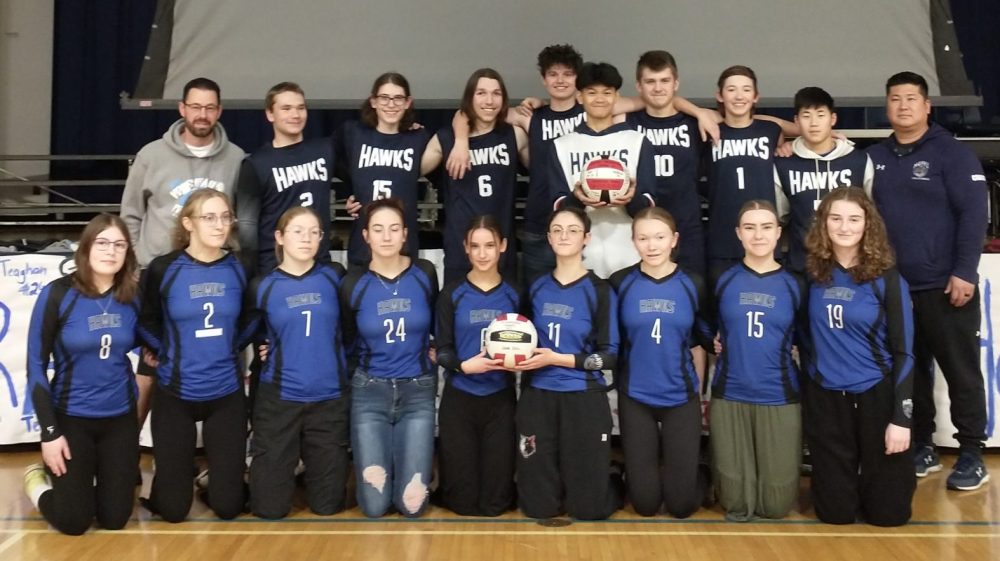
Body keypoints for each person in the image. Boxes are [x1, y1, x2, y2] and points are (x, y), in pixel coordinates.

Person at [868, 71, 990, 490]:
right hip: (896, 289)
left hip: (944, 285)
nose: (903, 106)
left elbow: (974, 214)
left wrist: (964, 271)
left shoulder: (951, 153)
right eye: (895, 99)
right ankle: (923, 445)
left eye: (911, 99)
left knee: (961, 371)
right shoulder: (876, 157)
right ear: (887, 106)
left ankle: (971, 450)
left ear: (926, 107)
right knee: (910, 372)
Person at [120, 77, 244, 438]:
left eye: (209, 108)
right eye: (195, 107)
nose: (202, 115)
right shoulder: (151, 155)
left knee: (216, 370)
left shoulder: (236, 159)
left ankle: (211, 460)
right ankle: (126, 461)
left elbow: (242, 218)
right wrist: (138, 265)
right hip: (161, 282)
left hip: (214, 281)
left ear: (218, 111)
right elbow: (130, 214)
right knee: (150, 370)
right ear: (182, 109)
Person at [137, 189, 253, 522]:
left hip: (226, 394)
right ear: (188, 223)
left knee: (229, 508)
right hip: (176, 393)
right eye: (209, 217)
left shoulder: (239, 267)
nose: (220, 226)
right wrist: (165, 349)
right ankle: (175, 483)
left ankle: (209, 481)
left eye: (225, 217)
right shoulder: (163, 268)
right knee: (173, 512)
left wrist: (232, 346)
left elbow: (252, 317)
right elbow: (145, 319)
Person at [803, 186, 916, 526]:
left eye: (854, 219)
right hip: (827, 395)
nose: (844, 227)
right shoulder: (811, 273)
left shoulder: (887, 278)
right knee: (834, 514)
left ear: (868, 224)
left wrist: (902, 418)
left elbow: (905, 351)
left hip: (876, 394)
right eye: (835, 218)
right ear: (823, 223)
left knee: (889, 515)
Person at [22, 214, 140, 535]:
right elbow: (35, 366)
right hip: (71, 419)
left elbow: (151, 342)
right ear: (86, 248)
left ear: (127, 252)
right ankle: (36, 481)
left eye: (119, 244)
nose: (110, 251)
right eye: (102, 243)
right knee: (74, 522)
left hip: (120, 419)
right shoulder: (58, 294)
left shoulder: (132, 295)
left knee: (114, 520)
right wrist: (49, 433)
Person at [515, 206, 622, 520]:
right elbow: (520, 339)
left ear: (586, 238)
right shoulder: (535, 287)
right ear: (548, 238)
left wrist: (557, 358)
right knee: (537, 509)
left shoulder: (600, 290)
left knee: (589, 510)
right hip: (539, 396)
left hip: (583, 397)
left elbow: (609, 356)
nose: (564, 236)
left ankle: (612, 477)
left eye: (573, 230)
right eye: (558, 230)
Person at [244, 207, 350, 519]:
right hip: (280, 400)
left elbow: (351, 330)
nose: (306, 238)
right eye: (297, 231)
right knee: (269, 509)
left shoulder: (335, 277)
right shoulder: (262, 286)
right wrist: (263, 346)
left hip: (329, 398)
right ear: (279, 237)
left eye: (314, 232)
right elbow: (249, 331)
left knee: (327, 507)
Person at [609, 207, 711, 518]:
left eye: (659, 237)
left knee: (681, 507)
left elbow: (700, 342)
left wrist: (696, 392)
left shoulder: (693, 283)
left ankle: (702, 473)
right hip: (636, 396)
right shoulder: (619, 282)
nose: (652, 245)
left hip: (680, 397)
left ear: (674, 239)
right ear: (633, 241)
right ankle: (622, 474)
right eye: (643, 238)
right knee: (645, 505)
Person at [340, 198, 439, 517]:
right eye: (378, 229)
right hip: (370, 393)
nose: (386, 236)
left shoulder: (424, 274)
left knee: (412, 507)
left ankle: (418, 475)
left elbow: (438, 322)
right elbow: (345, 338)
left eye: (394, 229)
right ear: (365, 235)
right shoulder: (353, 283)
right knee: (374, 506)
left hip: (418, 392)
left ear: (405, 234)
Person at [711, 200, 804, 522]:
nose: (758, 235)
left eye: (766, 227)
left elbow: (807, 336)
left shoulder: (795, 284)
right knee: (735, 502)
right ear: (738, 233)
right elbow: (704, 327)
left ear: (779, 232)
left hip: (778, 394)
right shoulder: (722, 280)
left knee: (776, 506)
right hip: (730, 392)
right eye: (749, 227)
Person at [435, 215, 520, 516]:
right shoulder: (452, 294)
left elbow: (531, 345)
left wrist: (518, 361)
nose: (482, 253)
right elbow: (442, 350)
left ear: (503, 247)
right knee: (462, 504)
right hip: (460, 398)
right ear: (466, 249)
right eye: (475, 246)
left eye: (489, 245)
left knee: (495, 504)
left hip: (500, 399)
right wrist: (463, 366)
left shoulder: (514, 294)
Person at [549, 62, 657, 279]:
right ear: (579, 97)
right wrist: (578, 199)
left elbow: (650, 206)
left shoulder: (636, 141)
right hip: (579, 259)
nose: (600, 99)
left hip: (630, 254)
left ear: (617, 96)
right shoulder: (562, 145)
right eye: (591, 92)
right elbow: (557, 205)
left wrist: (630, 199)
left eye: (607, 93)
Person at [423, 68, 529, 284]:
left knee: (503, 317)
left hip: (501, 250)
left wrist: (528, 121)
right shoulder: (446, 139)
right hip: (460, 249)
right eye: (481, 93)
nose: (489, 100)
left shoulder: (515, 136)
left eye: (496, 93)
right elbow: (405, 173)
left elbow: (547, 170)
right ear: (469, 97)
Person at [621, 51, 706, 278]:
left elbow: (743, 121)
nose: (658, 88)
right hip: (642, 229)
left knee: (692, 296)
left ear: (676, 83)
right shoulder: (626, 122)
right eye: (650, 82)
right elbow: (597, 106)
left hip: (687, 226)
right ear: (639, 86)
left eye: (665, 81)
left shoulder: (695, 123)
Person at [236, 81, 334, 277]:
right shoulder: (256, 164)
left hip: (319, 263)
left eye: (300, 108)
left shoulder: (325, 150)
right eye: (286, 108)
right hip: (275, 266)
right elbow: (246, 227)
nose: (295, 115)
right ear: (270, 114)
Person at [336, 72, 432, 269]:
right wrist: (351, 193)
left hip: (403, 247)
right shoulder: (353, 132)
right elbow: (331, 162)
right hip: (363, 248)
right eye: (384, 98)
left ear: (408, 102)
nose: (391, 104)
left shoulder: (418, 137)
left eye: (398, 98)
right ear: (373, 101)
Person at [774, 87, 874, 273]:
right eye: (806, 115)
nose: (814, 123)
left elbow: (872, 216)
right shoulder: (784, 164)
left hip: (850, 269)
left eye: (820, 114)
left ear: (833, 119)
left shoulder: (858, 161)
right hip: (802, 267)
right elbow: (778, 217)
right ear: (796, 121)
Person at [706, 66, 783, 289]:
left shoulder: (771, 130)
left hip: (763, 240)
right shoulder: (709, 130)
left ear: (756, 96)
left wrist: (831, 134)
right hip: (722, 239)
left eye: (746, 89)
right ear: (720, 95)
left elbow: (802, 129)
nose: (739, 96)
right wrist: (700, 112)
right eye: (731, 89)